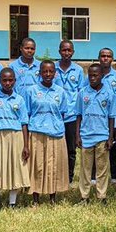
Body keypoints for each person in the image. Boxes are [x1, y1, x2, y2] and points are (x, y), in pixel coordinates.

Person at [0, 67, 31, 210]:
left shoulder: (19, 100)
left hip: (15, 137)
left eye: (10, 80)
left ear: (15, 81)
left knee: (14, 168)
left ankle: (12, 203)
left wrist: (26, 145)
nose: (8, 83)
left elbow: (24, 123)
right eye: (4, 80)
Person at [26, 59, 70, 203]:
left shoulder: (60, 92)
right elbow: (27, 114)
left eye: (51, 71)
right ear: (39, 73)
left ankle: (52, 197)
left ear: (55, 73)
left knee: (53, 166)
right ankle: (35, 198)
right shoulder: (31, 91)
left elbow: (62, 113)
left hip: (55, 132)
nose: (48, 74)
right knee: (37, 165)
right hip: (36, 132)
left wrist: (54, 125)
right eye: (45, 71)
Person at [75, 63, 116, 203]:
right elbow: (78, 115)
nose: (92, 78)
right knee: (85, 169)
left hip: (102, 136)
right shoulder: (82, 93)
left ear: (102, 76)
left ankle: (101, 196)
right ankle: (84, 196)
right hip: (86, 136)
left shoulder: (109, 93)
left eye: (95, 75)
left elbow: (111, 117)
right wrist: (77, 135)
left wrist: (110, 137)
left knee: (102, 168)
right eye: (90, 75)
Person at [54, 40, 84, 181]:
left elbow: (80, 93)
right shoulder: (52, 68)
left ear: (73, 52)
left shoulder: (78, 70)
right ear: (59, 51)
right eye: (64, 50)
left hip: (71, 115)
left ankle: (69, 177)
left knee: (71, 149)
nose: (66, 53)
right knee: (55, 148)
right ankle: (56, 176)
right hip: (55, 116)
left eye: (69, 50)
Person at [97, 47, 116, 180]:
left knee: (113, 149)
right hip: (96, 119)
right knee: (95, 147)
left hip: (113, 119)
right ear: (98, 58)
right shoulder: (92, 75)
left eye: (108, 56)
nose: (105, 58)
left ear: (112, 59)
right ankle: (94, 177)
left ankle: (114, 177)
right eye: (103, 56)